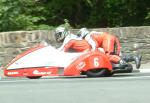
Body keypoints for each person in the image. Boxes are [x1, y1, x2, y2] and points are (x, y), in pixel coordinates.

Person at [77, 28, 142, 69]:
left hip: (107, 39)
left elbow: (94, 45)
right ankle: (135, 57)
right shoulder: (92, 33)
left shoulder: (87, 37)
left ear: (82, 33)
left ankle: (122, 62)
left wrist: (93, 55)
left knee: (108, 56)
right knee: (116, 56)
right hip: (110, 37)